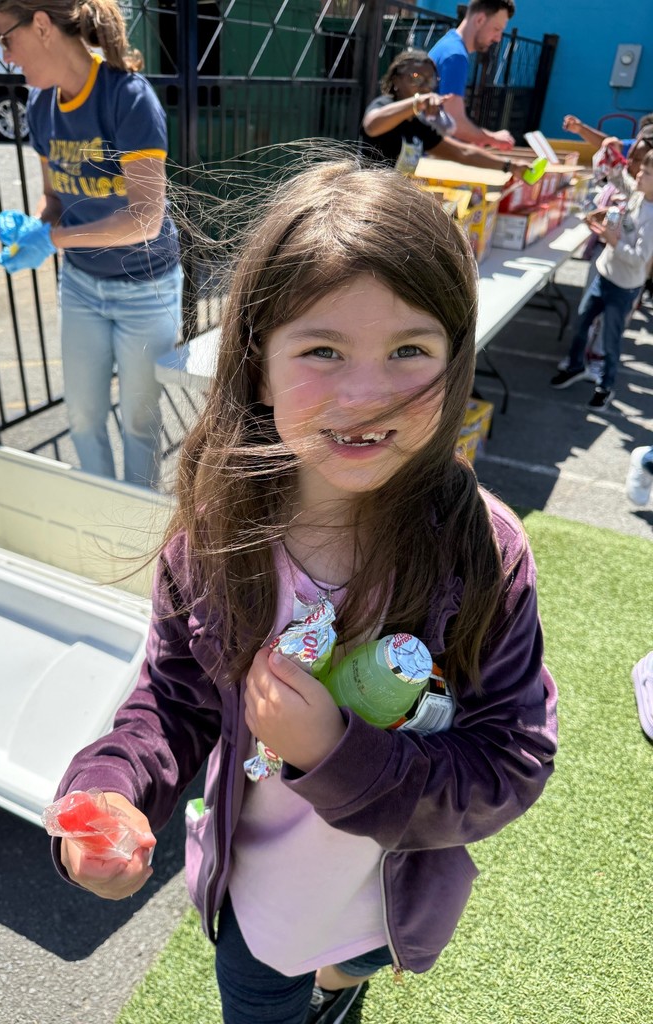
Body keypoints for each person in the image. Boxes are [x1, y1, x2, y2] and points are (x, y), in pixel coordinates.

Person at [48, 159, 558, 1024]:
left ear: (455, 361)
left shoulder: (485, 555)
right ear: (258, 367)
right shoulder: (214, 540)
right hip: (261, 910)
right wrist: (111, 790)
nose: (365, 394)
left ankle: (338, 987)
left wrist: (334, 752)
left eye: (410, 351)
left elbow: (510, 760)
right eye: (322, 350)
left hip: (385, 905)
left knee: (344, 979)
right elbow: (172, 700)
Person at [0, 0, 183, 489]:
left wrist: (52, 239)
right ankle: (99, 515)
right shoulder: (41, 104)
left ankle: (135, 526)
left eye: (4, 38)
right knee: (81, 417)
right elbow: (54, 197)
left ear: (41, 25)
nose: (5, 55)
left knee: (139, 423)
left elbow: (145, 218)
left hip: (146, 288)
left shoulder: (128, 98)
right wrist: (33, 227)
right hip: (81, 286)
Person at [550, 149, 653, 409]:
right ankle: (575, 366)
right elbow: (621, 181)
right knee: (581, 324)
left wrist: (611, 240)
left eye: (647, 173)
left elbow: (640, 259)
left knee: (610, 340)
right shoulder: (638, 194)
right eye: (641, 170)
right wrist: (613, 159)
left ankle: (605, 387)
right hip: (604, 275)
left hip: (624, 288)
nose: (639, 175)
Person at [362, 49, 531, 177]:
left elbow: (462, 153)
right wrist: (417, 103)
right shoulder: (384, 105)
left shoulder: (418, 124)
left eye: (430, 80)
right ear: (396, 80)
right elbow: (372, 126)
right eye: (415, 77)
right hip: (366, 198)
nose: (424, 86)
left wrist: (511, 166)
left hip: (393, 199)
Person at [428, 0, 515, 150]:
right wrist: (493, 138)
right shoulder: (456, 56)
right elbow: (454, 122)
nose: (498, 38)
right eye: (496, 29)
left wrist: (479, 137)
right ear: (479, 20)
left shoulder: (449, 44)